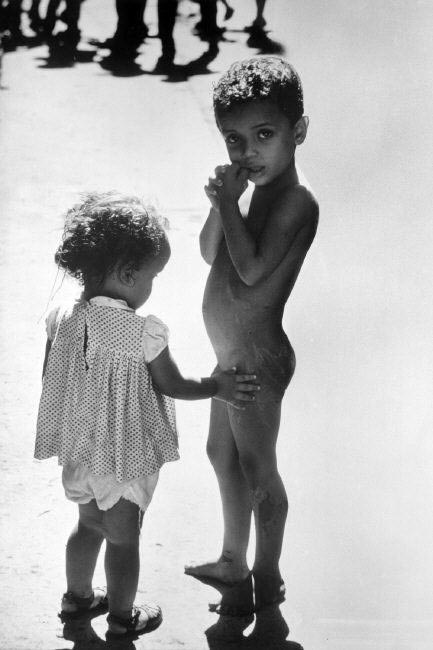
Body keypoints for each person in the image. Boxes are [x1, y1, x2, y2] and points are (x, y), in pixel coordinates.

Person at [34, 192, 260, 638]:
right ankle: (122, 619)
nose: (152, 286)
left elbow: (51, 378)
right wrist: (219, 387)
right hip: (122, 456)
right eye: (152, 276)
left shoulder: (61, 317)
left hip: (79, 452)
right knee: (123, 538)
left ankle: (77, 598)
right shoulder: (143, 330)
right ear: (128, 274)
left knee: (86, 526)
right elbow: (172, 384)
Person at [185, 57, 319, 615]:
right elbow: (210, 251)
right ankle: (233, 560)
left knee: (260, 467)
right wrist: (226, 203)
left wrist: (225, 202)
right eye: (234, 140)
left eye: (265, 135)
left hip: (258, 359)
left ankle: (268, 576)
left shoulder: (296, 201)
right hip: (230, 355)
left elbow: (251, 269)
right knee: (221, 451)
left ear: (299, 132)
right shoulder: (252, 194)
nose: (248, 153)